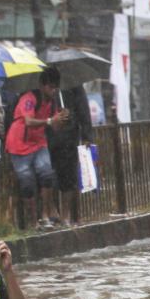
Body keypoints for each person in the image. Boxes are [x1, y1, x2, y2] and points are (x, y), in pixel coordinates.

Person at [6, 66, 69, 230]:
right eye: (50, 87)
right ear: (42, 85)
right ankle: (33, 222)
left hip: (39, 143)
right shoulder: (29, 98)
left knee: (47, 174)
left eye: (56, 87)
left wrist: (62, 120)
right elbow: (28, 121)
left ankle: (45, 215)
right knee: (27, 183)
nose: (53, 90)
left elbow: (55, 127)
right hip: (19, 144)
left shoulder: (53, 102)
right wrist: (49, 121)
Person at [46, 84, 94, 226]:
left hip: (69, 136)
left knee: (68, 176)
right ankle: (51, 211)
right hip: (48, 135)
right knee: (48, 175)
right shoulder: (42, 82)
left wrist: (87, 136)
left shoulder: (73, 83)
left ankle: (66, 214)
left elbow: (83, 109)